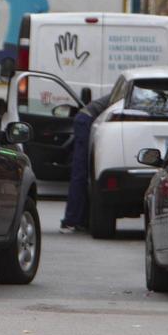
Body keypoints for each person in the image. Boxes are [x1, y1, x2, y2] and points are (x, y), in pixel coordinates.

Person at [60, 92, 112, 233]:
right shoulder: (127, 93)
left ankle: (80, 220)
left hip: (86, 119)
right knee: (80, 173)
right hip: (85, 121)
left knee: (84, 173)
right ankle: (70, 221)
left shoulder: (127, 89)